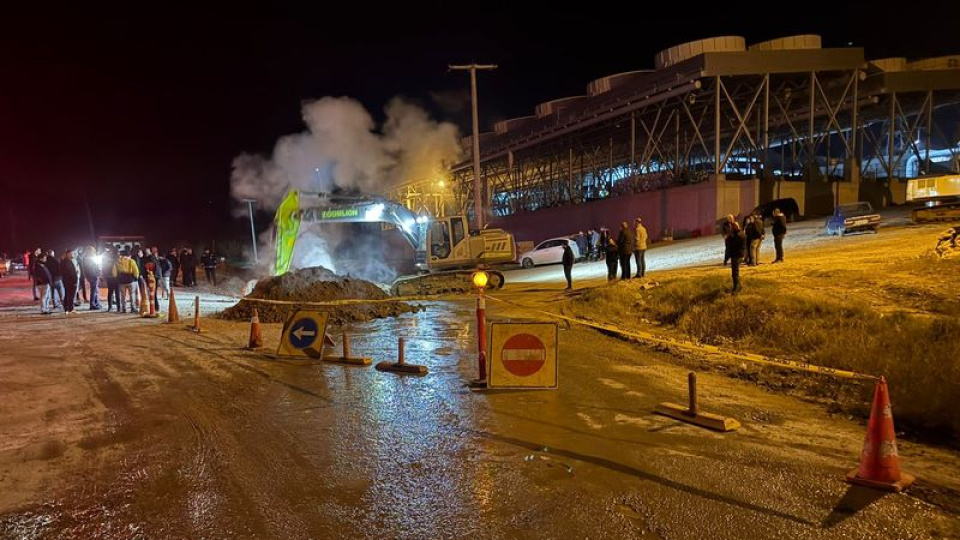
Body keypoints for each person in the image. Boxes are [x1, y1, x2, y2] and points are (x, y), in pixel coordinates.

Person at [113, 249, 140, 313]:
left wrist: (116, 277)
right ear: (128, 255)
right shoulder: (131, 261)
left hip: (121, 280)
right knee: (132, 294)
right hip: (130, 279)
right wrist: (136, 277)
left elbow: (114, 271)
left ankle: (124, 309)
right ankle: (133, 308)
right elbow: (135, 270)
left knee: (122, 295)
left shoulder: (117, 261)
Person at [725, 222, 746, 293]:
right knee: (735, 272)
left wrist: (728, 238)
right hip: (740, 254)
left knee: (735, 273)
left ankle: (736, 288)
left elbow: (731, 246)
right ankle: (738, 286)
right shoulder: (741, 233)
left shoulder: (737, 236)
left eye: (731, 227)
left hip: (736, 255)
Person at [59, 249, 79, 314]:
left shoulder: (65, 261)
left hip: (66, 281)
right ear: (67, 254)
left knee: (67, 294)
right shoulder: (66, 262)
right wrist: (74, 281)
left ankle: (66, 308)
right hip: (70, 281)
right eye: (71, 254)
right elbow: (70, 273)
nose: (72, 255)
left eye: (72, 253)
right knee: (71, 295)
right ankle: (70, 308)